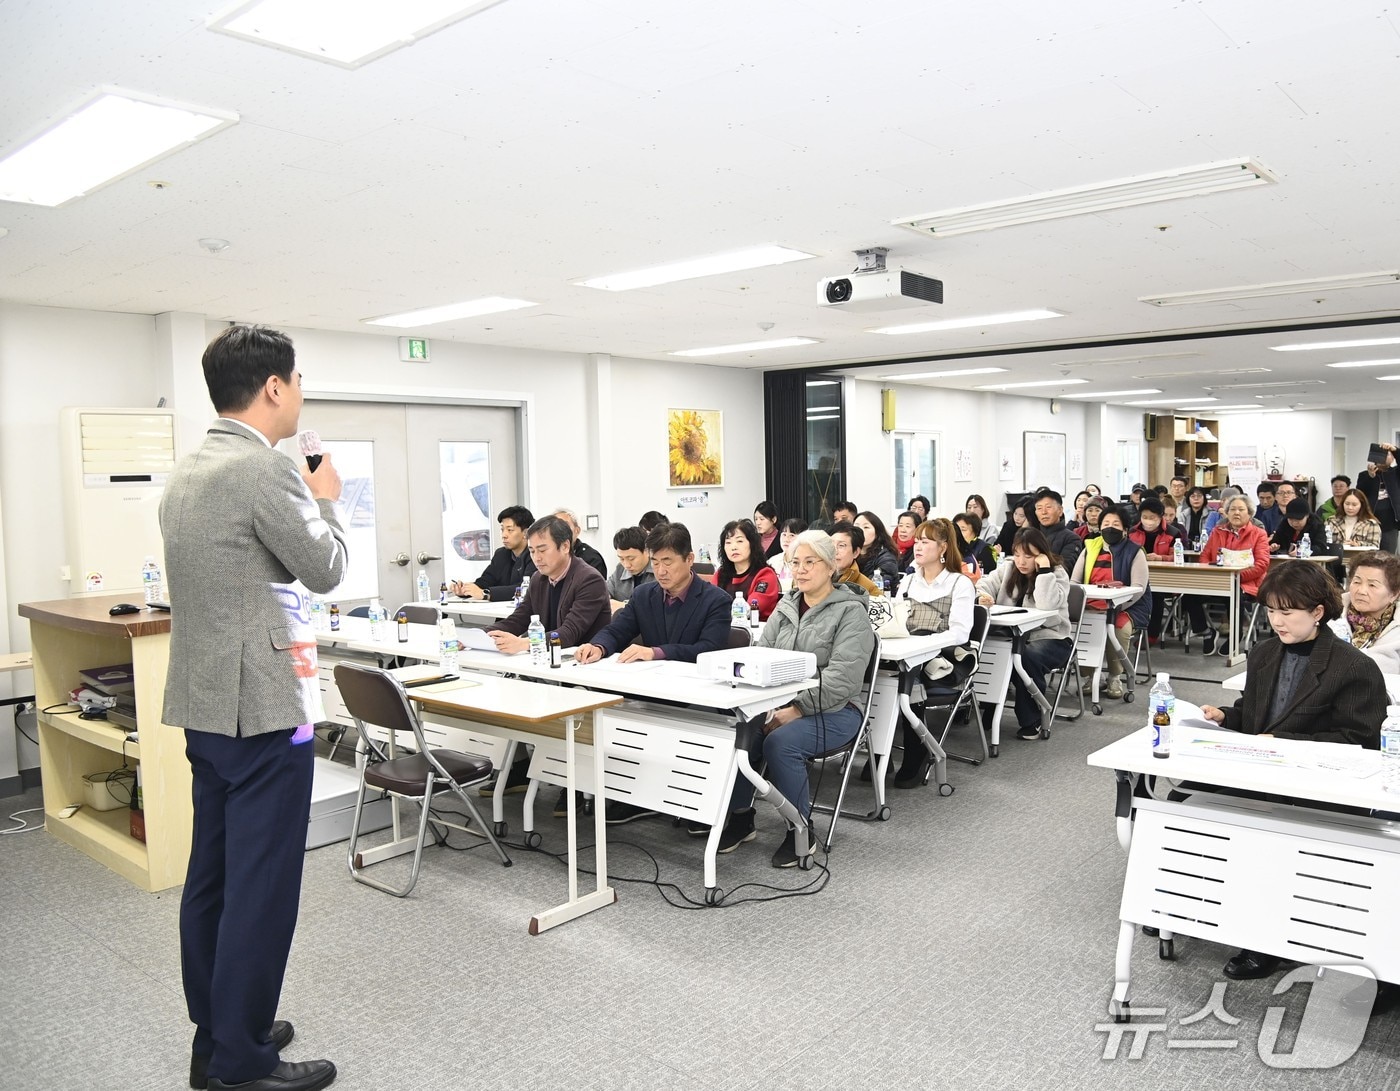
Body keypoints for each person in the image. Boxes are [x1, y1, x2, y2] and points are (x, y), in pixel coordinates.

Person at [160, 325, 344, 1091]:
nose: (299, 394)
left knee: (214, 875)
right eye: (297, 381)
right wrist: (327, 501)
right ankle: (240, 1061)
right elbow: (325, 569)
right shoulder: (267, 469)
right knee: (261, 886)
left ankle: (218, 1031)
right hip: (266, 707)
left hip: (205, 706)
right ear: (273, 386)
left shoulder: (187, 471)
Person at [1199, 561, 1386, 983]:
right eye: (1270, 611)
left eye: (1287, 612)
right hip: (1263, 774)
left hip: (1319, 787)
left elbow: (1360, 743)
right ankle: (1192, 903)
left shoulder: (1353, 667)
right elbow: (1254, 714)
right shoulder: (1265, 653)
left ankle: (1268, 939)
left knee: (1268, 830)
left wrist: (1284, 743)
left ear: (1318, 612)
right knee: (1186, 798)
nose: (1277, 621)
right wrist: (1225, 717)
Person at [714, 530, 875, 867]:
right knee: (741, 733)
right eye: (795, 563)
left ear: (830, 566)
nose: (800, 570)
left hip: (837, 710)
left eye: (809, 562)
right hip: (782, 705)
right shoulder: (787, 606)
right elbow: (761, 657)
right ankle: (740, 818)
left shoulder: (851, 613)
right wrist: (768, 704)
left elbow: (842, 679)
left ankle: (800, 828)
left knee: (780, 743)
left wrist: (797, 708)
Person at [576, 522, 734, 823]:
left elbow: (709, 649)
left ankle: (688, 798)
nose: (660, 571)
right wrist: (598, 646)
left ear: (689, 559)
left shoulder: (716, 600)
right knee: (605, 709)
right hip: (652, 689)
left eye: (668, 562)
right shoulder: (644, 595)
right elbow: (618, 630)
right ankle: (633, 793)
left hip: (694, 694)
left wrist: (656, 651)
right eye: (656, 562)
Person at [890, 518, 976, 787]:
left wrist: (924, 644)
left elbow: (960, 633)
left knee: (906, 675)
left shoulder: (958, 583)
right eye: (916, 541)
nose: (917, 546)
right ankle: (880, 755)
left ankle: (916, 754)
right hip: (908, 650)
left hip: (945, 657)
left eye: (925, 541)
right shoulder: (908, 581)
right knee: (882, 673)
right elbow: (896, 621)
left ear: (943, 547)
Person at [975, 527, 1073, 741]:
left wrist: (1044, 571)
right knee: (989, 651)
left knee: (1024, 657)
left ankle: (1032, 719)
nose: (1021, 561)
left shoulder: (1057, 573)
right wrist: (982, 595)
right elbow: (983, 584)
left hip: (1051, 637)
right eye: (1017, 554)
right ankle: (988, 708)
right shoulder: (1009, 568)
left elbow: (1047, 605)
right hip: (1012, 637)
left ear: (1041, 555)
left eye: (1028, 556)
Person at [486, 516, 611, 654]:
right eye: (532, 551)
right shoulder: (538, 578)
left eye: (542, 550)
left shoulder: (590, 580)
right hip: (547, 656)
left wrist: (524, 643)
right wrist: (479, 634)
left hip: (581, 658)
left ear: (565, 546)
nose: (536, 558)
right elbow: (519, 619)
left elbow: (569, 633)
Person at [1070, 506, 1150, 699]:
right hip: (1091, 604)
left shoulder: (1135, 552)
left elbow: (1139, 588)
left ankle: (1115, 676)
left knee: (1117, 629)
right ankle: (1091, 676)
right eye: (1106, 523)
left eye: (1115, 524)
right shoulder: (1090, 548)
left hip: (1127, 606)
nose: (1110, 528)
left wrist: (1115, 607)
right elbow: (1074, 582)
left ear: (1125, 529)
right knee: (1082, 626)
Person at [1184, 494, 1271, 654]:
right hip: (1217, 581)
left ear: (1250, 513)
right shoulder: (1218, 531)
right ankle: (1206, 631)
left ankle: (1236, 635)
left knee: (1234, 594)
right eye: (1232, 509)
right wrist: (1215, 575)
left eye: (1241, 509)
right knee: (1189, 595)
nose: (1236, 513)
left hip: (1245, 584)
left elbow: (1262, 564)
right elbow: (1204, 557)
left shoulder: (1259, 534)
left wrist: (1235, 577)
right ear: (1226, 512)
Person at [449, 505, 536, 601]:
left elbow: (526, 588)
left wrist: (486, 594)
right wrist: (466, 590)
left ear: (525, 533)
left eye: (510, 530)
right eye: (502, 529)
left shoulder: (535, 555)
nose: (504, 535)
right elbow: (485, 581)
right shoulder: (501, 554)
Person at [1332, 551, 1400, 673]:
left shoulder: (1396, 629)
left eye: (1372, 585)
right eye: (1356, 582)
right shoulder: (1332, 614)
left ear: (1394, 594)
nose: (1361, 591)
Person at [1130, 495, 1186, 643]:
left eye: (1152, 517)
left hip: (1165, 579)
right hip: (1137, 576)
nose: (1148, 521)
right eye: (1144, 517)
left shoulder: (1173, 533)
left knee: (1156, 594)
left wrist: (1160, 558)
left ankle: (1152, 634)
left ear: (1160, 517)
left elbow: (1177, 557)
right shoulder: (1132, 532)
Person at [712, 518, 782, 618]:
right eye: (728, 542)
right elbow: (710, 603)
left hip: (757, 627)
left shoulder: (765, 574)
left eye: (739, 541)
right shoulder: (721, 574)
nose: (733, 547)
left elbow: (750, 608)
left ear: (752, 544)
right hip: (723, 625)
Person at [1358, 442, 1400, 553]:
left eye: (1388, 454)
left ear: (1393, 458)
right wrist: (1370, 477)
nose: (1385, 456)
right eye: (1382, 454)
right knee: (1369, 555)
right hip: (1370, 521)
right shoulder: (1364, 475)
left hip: (1390, 522)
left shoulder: (1395, 473)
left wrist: (1395, 450)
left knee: (1388, 555)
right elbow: (1360, 494)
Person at [1033, 488, 1083, 570]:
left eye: (1048, 507)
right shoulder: (1031, 536)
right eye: (1039, 508)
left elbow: (1065, 568)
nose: (1044, 512)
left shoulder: (1072, 538)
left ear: (1060, 510)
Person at [552, 508, 608, 577]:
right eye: (555, 527)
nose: (559, 530)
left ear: (577, 531)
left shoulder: (591, 558)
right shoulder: (548, 556)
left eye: (565, 525)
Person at [830, 522, 882, 596]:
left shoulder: (869, 589)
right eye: (830, 544)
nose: (834, 551)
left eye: (841, 545)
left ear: (856, 552)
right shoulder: (816, 578)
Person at [607, 526, 654, 606]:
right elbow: (604, 592)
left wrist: (624, 606)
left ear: (647, 551)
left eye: (631, 559)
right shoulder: (620, 569)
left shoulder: (658, 571)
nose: (626, 565)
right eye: (621, 559)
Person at [854, 511, 900, 591]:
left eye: (866, 527)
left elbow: (875, 586)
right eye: (856, 527)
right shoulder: (849, 554)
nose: (860, 531)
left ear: (877, 532)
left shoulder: (886, 557)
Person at [952, 512, 996, 577]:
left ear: (975, 531)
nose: (958, 533)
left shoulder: (984, 549)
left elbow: (989, 575)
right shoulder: (951, 547)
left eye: (963, 530)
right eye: (955, 530)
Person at [769, 517, 807, 586]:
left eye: (792, 535)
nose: (786, 539)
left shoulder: (806, 562)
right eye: (784, 534)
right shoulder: (772, 561)